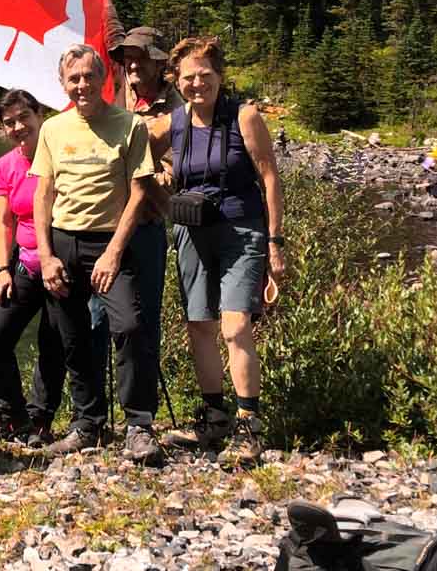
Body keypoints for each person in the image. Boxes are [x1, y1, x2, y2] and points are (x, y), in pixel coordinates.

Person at [32, 44, 164, 465]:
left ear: (103, 78)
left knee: (129, 326)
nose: (82, 85)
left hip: (110, 243)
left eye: (89, 76)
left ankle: (139, 425)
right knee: (73, 337)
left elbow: (140, 190)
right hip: (64, 241)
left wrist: (113, 252)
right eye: (74, 79)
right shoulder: (53, 129)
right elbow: (43, 194)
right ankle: (86, 423)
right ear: (63, 84)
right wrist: (47, 255)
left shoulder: (129, 125)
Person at [161, 36, 286, 460]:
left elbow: (269, 178)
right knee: (199, 326)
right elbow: (134, 148)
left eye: (205, 76)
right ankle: (215, 420)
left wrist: (274, 242)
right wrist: (159, 173)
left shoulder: (244, 116)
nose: (198, 84)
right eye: (188, 78)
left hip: (241, 231)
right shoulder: (174, 123)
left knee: (235, 327)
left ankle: (249, 425)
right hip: (192, 233)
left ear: (219, 76)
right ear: (176, 82)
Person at [0, 89, 67, 447]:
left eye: (23, 117)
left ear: (39, 114)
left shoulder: (61, 152)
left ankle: (40, 418)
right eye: (9, 122)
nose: (18, 127)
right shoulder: (6, 165)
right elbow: (4, 221)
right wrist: (2, 269)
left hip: (63, 262)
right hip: (25, 264)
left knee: (54, 340)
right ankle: (11, 415)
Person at [99, 26, 182, 395]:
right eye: (127, 57)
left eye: (139, 57)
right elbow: (109, 25)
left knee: (144, 320)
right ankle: (91, 412)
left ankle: (142, 410)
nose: (131, 64)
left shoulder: (178, 107)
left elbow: (178, 172)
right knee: (94, 316)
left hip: (146, 223)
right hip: (104, 225)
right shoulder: (118, 95)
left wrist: (139, 176)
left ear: (158, 63)